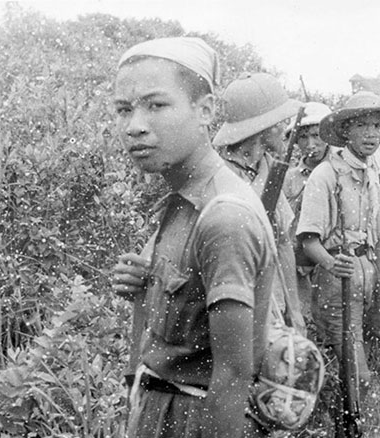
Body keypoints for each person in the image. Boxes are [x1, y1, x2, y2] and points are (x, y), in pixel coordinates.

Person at [109, 37, 276, 437]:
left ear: (205, 110)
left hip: (196, 420)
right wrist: (148, 284)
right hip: (163, 411)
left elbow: (234, 376)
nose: (135, 126)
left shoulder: (224, 216)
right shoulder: (184, 201)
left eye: (157, 105)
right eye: (123, 109)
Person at [296, 91, 380, 399]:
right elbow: (308, 240)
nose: (371, 134)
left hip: (368, 271)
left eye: (376, 126)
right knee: (355, 371)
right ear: (345, 131)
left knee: (361, 356)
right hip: (337, 278)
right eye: (362, 126)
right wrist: (332, 264)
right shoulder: (325, 175)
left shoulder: (372, 173)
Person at [214, 72, 306, 335]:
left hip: (273, 299)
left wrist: (295, 309)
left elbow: (283, 241)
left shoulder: (269, 168)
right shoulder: (221, 177)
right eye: (281, 122)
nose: (287, 129)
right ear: (262, 128)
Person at [282, 101, 334, 323]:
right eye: (303, 137)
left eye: (316, 135)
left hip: (330, 263)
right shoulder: (289, 178)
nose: (310, 144)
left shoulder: (338, 173)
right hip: (298, 267)